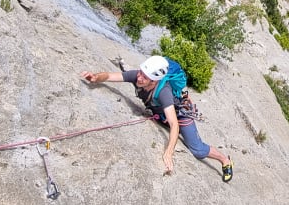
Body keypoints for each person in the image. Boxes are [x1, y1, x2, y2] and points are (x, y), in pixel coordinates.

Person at [81, 55, 233, 182]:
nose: (139, 78)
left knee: (198, 150)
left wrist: (168, 152)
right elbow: (109, 76)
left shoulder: (163, 92)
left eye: (144, 77)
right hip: (161, 114)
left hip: (179, 116)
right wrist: (95, 77)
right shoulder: (139, 76)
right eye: (140, 73)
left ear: (154, 81)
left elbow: (174, 125)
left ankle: (225, 160)